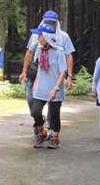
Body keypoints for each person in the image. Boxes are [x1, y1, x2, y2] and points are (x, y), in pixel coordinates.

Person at [19, 10, 75, 139]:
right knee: (32, 102)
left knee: (54, 107)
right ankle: (40, 125)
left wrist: (69, 76)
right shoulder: (38, 35)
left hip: (55, 74)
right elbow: (29, 52)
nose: (49, 23)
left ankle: (51, 131)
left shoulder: (63, 37)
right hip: (37, 71)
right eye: (46, 20)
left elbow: (68, 57)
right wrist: (24, 71)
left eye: (51, 21)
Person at [29, 24, 68, 149]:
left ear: (46, 37)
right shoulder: (40, 50)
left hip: (55, 88)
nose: (38, 37)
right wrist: (35, 83)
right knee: (35, 111)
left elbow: (63, 71)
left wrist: (56, 88)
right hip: (41, 86)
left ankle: (55, 138)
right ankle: (42, 132)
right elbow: (40, 68)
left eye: (40, 35)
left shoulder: (59, 51)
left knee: (54, 114)